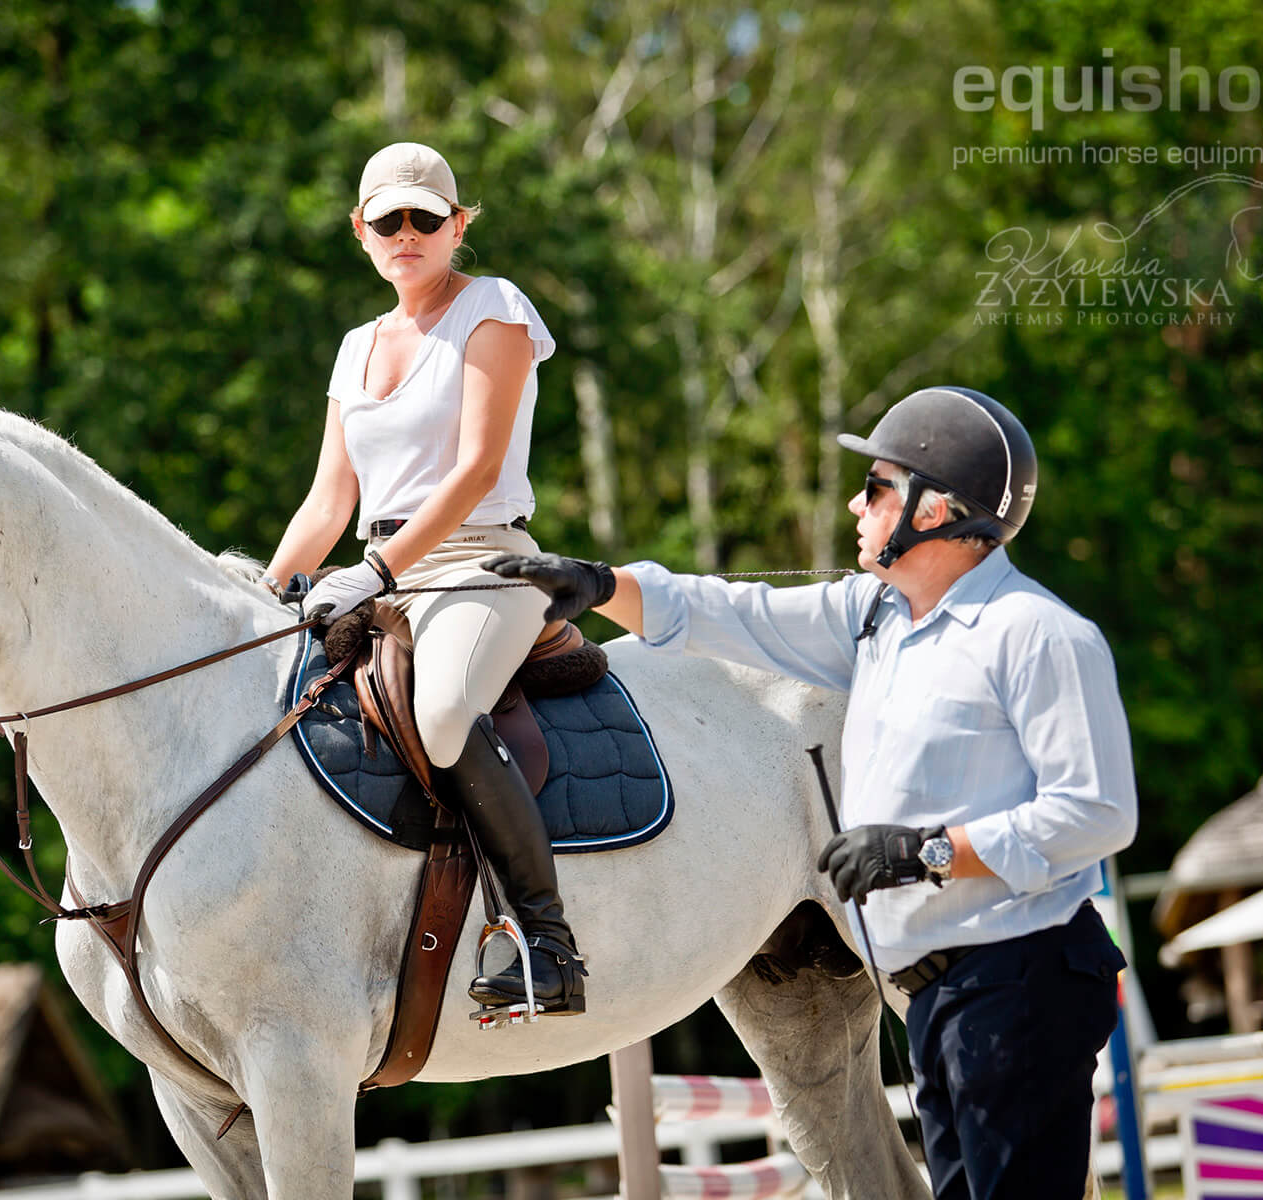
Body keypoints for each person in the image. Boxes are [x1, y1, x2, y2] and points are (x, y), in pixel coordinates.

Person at [487, 386, 1137, 1199]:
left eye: (876, 488)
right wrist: (600, 583)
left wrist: (928, 851)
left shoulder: (1040, 634)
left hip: (1022, 976)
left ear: (934, 510)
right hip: (940, 990)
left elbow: (1097, 812)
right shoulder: (876, 617)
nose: (858, 507)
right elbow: (734, 613)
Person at [262, 142, 587, 1016]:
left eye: (425, 218)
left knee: (443, 711)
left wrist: (374, 570)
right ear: (359, 231)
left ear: (458, 225)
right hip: (376, 573)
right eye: (388, 220)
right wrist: (266, 594)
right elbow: (328, 501)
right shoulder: (355, 346)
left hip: (482, 563)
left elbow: (477, 469)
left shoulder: (493, 308)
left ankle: (546, 943)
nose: (406, 233)